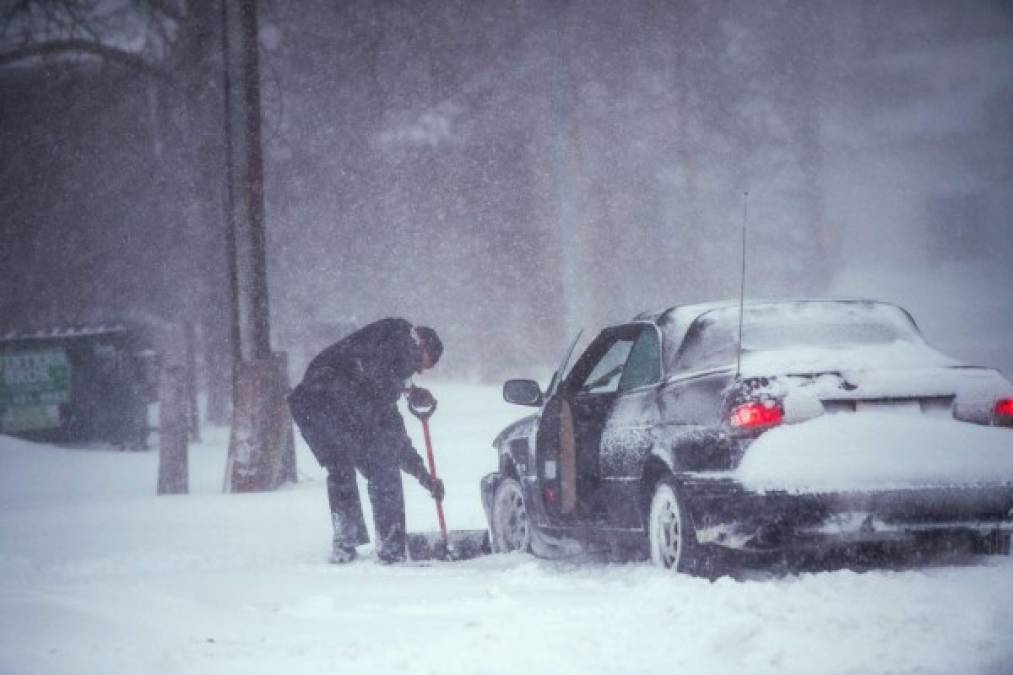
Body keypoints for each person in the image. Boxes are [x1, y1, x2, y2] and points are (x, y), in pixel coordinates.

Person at [287, 318, 445, 564]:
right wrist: (408, 391)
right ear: (421, 346)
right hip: (318, 403)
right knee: (347, 468)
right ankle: (356, 546)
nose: (418, 372)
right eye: (421, 365)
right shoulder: (395, 340)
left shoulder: (383, 375)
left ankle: (381, 547)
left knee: (379, 464)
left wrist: (424, 475)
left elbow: (394, 436)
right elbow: (373, 372)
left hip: (336, 404)